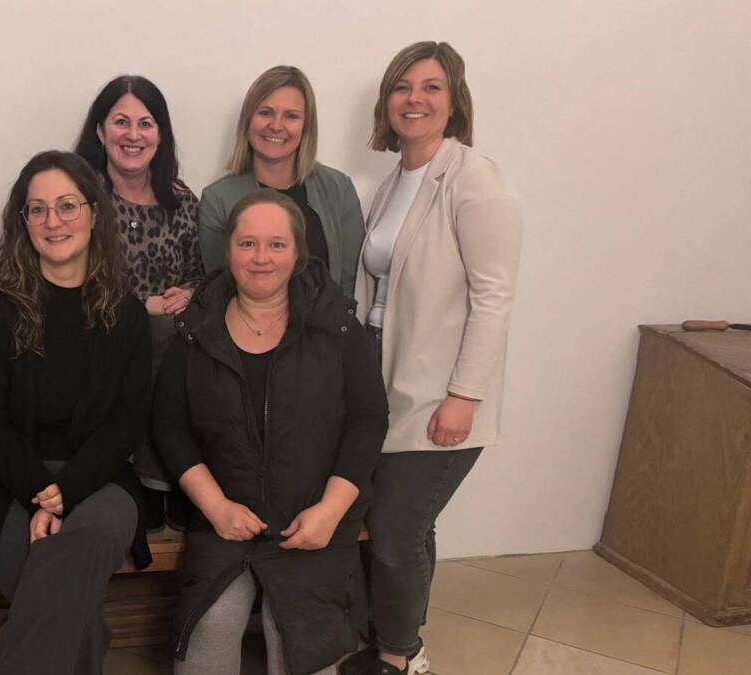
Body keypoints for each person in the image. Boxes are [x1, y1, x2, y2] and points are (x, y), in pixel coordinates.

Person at [0, 151, 152, 675]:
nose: (54, 221)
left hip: (98, 480)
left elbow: (127, 420)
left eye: (67, 206)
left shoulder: (127, 313)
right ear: (22, 222)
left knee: (83, 544)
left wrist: (68, 490)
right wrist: (41, 491)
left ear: (93, 213)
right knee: (66, 594)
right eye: (38, 209)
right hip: (6, 482)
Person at [155, 189, 389, 675]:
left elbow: (368, 420)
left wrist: (329, 511)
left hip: (314, 519)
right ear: (228, 251)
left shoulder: (337, 327)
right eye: (248, 244)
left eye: (276, 244)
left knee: (298, 637)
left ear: (298, 253)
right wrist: (216, 508)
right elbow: (169, 426)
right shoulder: (195, 330)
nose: (261, 258)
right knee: (209, 628)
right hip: (226, 518)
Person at [351, 41, 522, 675]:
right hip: (383, 378)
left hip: (439, 391)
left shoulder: (474, 177)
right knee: (408, 525)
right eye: (402, 87)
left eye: (430, 87)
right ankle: (400, 638)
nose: (414, 99)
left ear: (455, 101)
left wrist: (464, 394)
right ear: (386, 101)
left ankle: (398, 657)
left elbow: (494, 296)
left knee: (396, 529)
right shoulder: (391, 183)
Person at [74, 74, 203, 531]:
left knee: (178, 333)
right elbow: (70, 276)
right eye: (121, 122)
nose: (133, 135)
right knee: (155, 330)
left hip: (171, 338)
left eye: (145, 123)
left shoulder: (182, 200)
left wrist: (190, 293)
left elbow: (200, 273)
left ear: (160, 134)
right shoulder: (80, 198)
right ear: (100, 131)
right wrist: (141, 306)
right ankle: (147, 478)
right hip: (96, 329)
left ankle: (174, 476)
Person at [197, 65, 365, 297]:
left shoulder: (338, 188)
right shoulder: (217, 199)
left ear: (306, 126)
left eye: (291, 116)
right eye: (265, 113)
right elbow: (220, 289)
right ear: (248, 120)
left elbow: (350, 285)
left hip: (329, 320)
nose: (276, 126)